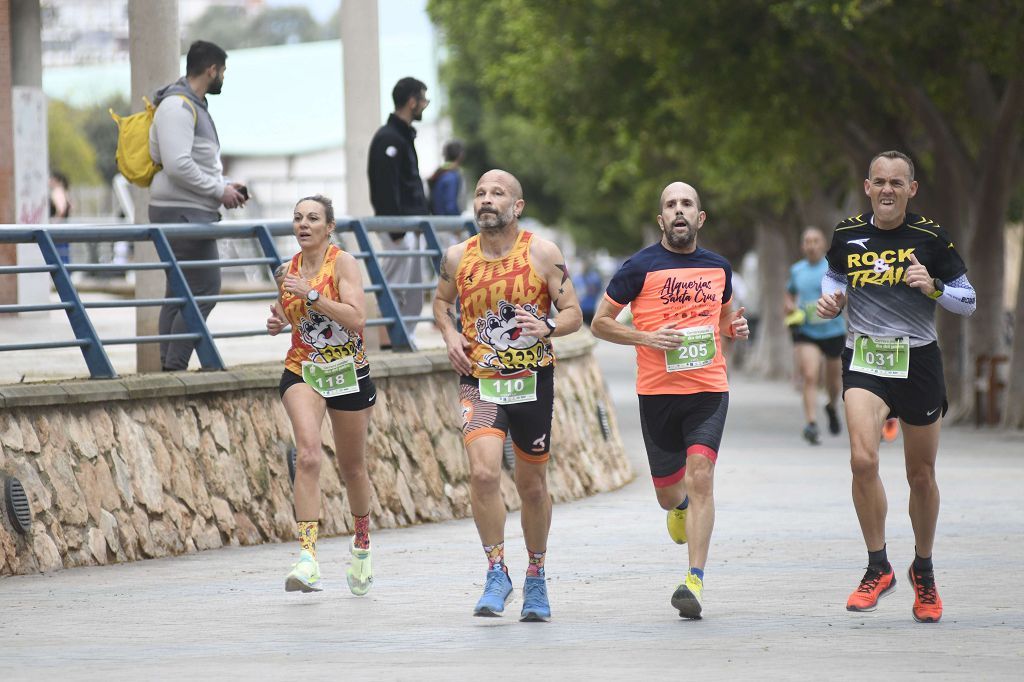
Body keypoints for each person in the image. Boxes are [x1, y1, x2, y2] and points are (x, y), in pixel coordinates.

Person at [816, 150, 976, 623]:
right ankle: (877, 565)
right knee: (862, 459)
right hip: (864, 357)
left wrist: (934, 289)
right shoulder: (847, 233)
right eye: (879, 182)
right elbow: (832, 274)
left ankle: (922, 571)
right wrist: (831, 297)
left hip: (919, 361)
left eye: (897, 183)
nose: (887, 190)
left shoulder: (930, 237)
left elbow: (967, 301)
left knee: (920, 475)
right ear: (867, 187)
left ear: (911, 189)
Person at [591, 181, 749, 620]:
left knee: (701, 477)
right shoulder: (638, 267)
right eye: (670, 205)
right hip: (657, 394)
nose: (679, 211)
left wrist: (734, 329)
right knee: (668, 494)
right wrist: (645, 336)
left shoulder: (719, 268)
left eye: (687, 204)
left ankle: (693, 580)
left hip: (708, 390)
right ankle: (678, 507)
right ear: (661, 220)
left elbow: (724, 315)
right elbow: (600, 324)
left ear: (700, 218)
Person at [432, 169, 582, 622]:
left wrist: (550, 326)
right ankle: (497, 570)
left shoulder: (542, 253)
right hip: (480, 379)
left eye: (497, 194)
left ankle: (536, 575)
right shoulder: (457, 257)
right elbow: (440, 303)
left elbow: (573, 312)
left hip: (532, 380)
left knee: (532, 486)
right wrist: (449, 335)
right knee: (481, 474)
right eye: (480, 193)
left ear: (517, 206)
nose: (486, 200)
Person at [266, 195, 376, 596]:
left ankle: (361, 542)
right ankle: (308, 558)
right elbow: (287, 313)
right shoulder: (287, 270)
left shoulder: (342, 263)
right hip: (303, 369)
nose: (303, 224)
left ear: (329, 227)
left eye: (313, 218)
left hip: (348, 372)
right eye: (297, 218)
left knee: (353, 468)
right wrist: (278, 318)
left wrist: (311, 294)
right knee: (309, 454)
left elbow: (356, 318)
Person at [149, 40, 247, 371]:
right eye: (223, 72)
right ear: (211, 69)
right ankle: (173, 368)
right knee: (205, 288)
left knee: (179, 292)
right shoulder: (178, 107)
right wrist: (218, 190)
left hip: (187, 208)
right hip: (181, 211)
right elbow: (177, 165)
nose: (223, 78)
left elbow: (197, 164)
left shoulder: (193, 106)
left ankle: (168, 368)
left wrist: (223, 185)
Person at [368, 77, 431, 343]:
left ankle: (406, 336)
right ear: (412, 101)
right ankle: (390, 340)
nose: (425, 105)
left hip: (412, 227)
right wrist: (395, 231)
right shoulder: (388, 138)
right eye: (423, 99)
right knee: (394, 283)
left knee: (414, 286)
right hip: (399, 229)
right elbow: (384, 187)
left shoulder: (402, 136)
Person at [784, 227, 846, 445]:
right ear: (803, 246)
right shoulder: (797, 270)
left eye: (815, 241)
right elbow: (789, 293)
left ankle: (831, 405)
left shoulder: (833, 268)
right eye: (807, 241)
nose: (811, 245)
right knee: (810, 375)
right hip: (807, 330)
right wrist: (790, 305)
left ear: (823, 245)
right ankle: (811, 424)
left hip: (833, 330)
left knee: (833, 380)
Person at [428, 139, 466, 217]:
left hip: (438, 220)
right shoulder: (452, 175)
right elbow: (450, 206)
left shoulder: (440, 172)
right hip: (448, 223)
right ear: (460, 155)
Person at [48, 172, 72, 265]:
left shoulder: (57, 191)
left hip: (58, 229)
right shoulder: (64, 191)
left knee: (58, 256)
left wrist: (55, 220)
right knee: (64, 255)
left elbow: (61, 208)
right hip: (64, 228)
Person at [572, 259, 603, 326]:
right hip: (579, 307)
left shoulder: (595, 278)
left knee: (589, 327)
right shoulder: (576, 278)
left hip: (590, 307)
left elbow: (599, 289)